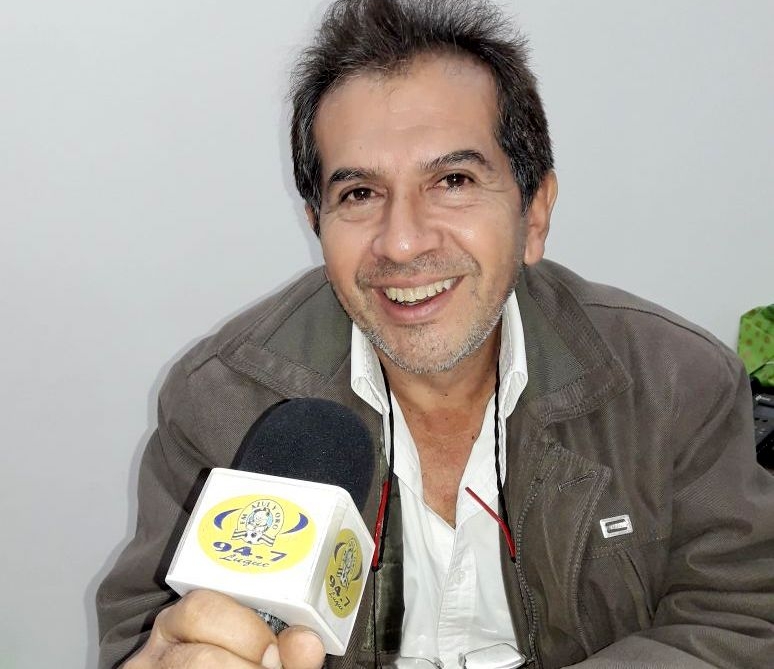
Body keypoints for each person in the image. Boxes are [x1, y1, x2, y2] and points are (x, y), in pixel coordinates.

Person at [95, 0, 774, 667]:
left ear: (534, 214)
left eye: (452, 180)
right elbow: (147, 626)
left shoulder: (675, 381)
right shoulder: (222, 402)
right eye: (359, 194)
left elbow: (743, 615)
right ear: (317, 224)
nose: (402, 241)